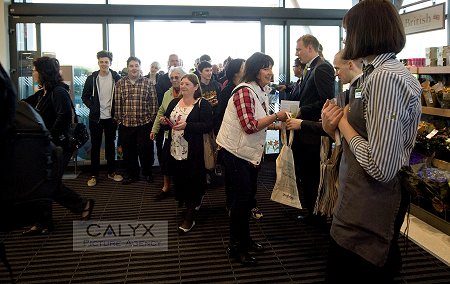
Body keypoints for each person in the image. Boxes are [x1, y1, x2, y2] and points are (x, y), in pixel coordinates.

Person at [321, 0, 422, 282]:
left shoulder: (383, 78)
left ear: (365, 33)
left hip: (369, 206)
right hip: (360, 199)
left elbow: (381, 166)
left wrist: (341, 121)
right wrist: (336, 128)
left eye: (348, 32)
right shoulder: (376, 75)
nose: (345, 40)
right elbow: (368, 138)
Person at [216, 52, 287, 266]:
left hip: (246, 152)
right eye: (266, 68)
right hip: (236, 153)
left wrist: (279, 123)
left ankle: (245, 240)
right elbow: (249, 126)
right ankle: (236, 247)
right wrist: (276, 117)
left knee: (246, 201)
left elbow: (255, 120)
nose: (270, 72)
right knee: (241, 202)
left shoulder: (258, 90)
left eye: (271, 67)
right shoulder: (244, 91)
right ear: (256, 70)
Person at [22, 57, 95, 233]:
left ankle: (81, 205)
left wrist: (47, 138)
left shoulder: (58, 92)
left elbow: (63, 118)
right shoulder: (43, 92)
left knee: (48, 184)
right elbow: (23, 105)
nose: (33, 73)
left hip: (59, 146)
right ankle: (44, 222)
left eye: (35, 69)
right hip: (48, 146)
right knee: (44, 183)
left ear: (44, 72)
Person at [159, 73, 213, 233]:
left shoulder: (203, 105)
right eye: (181, 83)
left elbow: (208, 126)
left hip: (194, 152)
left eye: (187, 84)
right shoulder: (174, 102)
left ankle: (190, 217)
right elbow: (168, 124)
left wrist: (187, 126)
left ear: (196, 87)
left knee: (193, 182)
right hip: (175, 149)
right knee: (180, 180)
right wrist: (164, 123)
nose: (182, 86)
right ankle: (191, 203)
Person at [292, 34, 335, 226]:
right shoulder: (313, 67)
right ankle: (312, 210)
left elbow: (327, 100)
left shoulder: (322, 67)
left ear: (310, 48)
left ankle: (317, 214)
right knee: (306, 173)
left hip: (312, 132)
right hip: (305, 130)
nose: (297, 53)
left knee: (312, 175)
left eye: (299, 49)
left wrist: (302, 110)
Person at [114, 56, 158, 185]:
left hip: (144, 123)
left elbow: (153, 103)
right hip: (126, 125)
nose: (134, 68)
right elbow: (118, 104)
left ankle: (147, 173)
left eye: (136, 65)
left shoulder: (148, 83)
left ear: (140, 67)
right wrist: (119, 121)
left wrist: (151, 120)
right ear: (128, 67)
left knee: (146, 151)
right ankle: (133, 175)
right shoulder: (120, 83)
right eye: (131, 66)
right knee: (128, 152)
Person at [82, 50, 123, 187]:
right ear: (98, 62)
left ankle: (111, 172)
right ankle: (94, 175)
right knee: (95, 146)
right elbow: (85, 96)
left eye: (106, 62)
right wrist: (93, 107)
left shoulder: (116, 78)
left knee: (111, 145)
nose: (104, 64)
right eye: (101, 62)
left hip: (111, 118)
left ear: (110, 63)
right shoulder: (92, 78)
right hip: (96, 118)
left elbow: (121, 97)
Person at [150, 66, 186, 200]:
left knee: (182, 164)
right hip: (169, 134)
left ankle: (181, 188)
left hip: (186, 135)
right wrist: (155, 129)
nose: (174, 80)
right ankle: (165, 187)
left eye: (177, 77)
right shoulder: (167, 93)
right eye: (172, 78)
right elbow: (161, 111)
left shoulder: (189, 92)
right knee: (166, 161)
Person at [216, 58, 245, 212]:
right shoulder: (228, 91)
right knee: (232, 175)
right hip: (231, 139)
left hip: (244, 138)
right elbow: (220, 115)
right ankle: (231, 204)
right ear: (235, 72)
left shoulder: (245, 87)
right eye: (243, 66)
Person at [155, 54, 181, 166]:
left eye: (176, 61)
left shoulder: (186, 79)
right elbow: (160, 101)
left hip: (181, 121)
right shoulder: (162, 79)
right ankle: (162, 166)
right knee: (164, 147)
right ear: (168, 63)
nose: (174, 63)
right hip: (165, 119)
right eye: (172, 61)